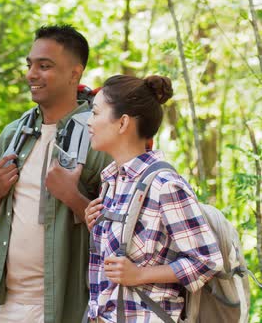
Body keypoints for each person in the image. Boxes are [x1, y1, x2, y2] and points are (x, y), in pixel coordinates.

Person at [0, 24, 112, 323]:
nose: (31, 74)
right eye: (30, 65)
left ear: (74, 74)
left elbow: (118, 237)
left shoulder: (98, 139)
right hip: (8, 305)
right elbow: (3, 217)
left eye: (45, 66)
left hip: (66, 305)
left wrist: (72, 196)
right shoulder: (13, 135)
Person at [84, 75, 223, 322]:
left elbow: (207, 261)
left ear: (122, 123)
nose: (89, 122)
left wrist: (139, 275)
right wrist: (98, 227)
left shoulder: (164, 185)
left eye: (95, 113)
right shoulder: (112, 180)